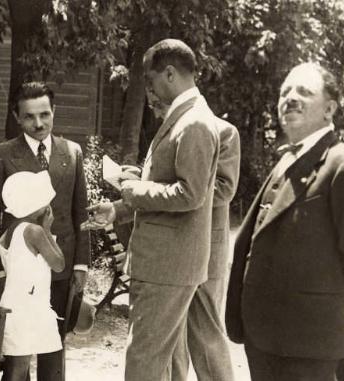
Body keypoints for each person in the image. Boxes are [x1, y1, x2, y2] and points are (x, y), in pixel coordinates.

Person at [225, 62, 344, 381]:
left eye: (305, 91)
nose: (291, 98)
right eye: (285, 91)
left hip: (308, 342)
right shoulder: (287, 160)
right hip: (264, 336)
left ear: (330, 109)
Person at [83, 39, 220, 381]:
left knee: (143, 360)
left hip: (168, 265)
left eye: (151, 79)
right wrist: (117, 209)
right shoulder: (184, 118)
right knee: (166, 363)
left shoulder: (195, 123)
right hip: (166, 263)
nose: (151, 91)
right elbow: (166, 191)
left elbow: (190, 194)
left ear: (170, 73)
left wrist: (135, 188)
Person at [0, 81, 90, 381]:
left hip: (61, 264)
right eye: (29, 116)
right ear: (17, 117)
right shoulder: (2, 154)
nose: (38, 123)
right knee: (20, 350)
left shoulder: (73, 151)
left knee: (54, 342)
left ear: (54, 111)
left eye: (45, 114)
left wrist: (82, 263)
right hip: (20, 270)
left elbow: (81, 211)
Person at [147, 90, 240, 381]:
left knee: (206, 329)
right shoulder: (171, 133)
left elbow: (225, 189)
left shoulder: (224, 132)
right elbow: (169, 184)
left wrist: (189, 188)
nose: (156, 108)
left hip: (207, 248)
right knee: (173, 334)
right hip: (174, 246)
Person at [0, 171, 65, 381]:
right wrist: (47, 228)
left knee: (18, 368)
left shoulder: (10, 230)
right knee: (17, 371)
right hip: (26, 308)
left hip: (25, 305)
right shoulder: (34, 231)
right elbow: (59, 264)